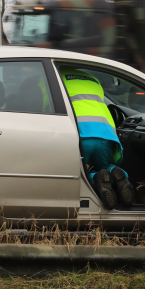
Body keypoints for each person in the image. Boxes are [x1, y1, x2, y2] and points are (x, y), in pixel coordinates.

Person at [59, 66, 135, 209]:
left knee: (79, 173)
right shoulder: (92, 79)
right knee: (105, 166)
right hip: (105, 135)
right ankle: (117, 174)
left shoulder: (53, 77)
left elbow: (46, 106)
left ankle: (95, 177)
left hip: (80, 136)